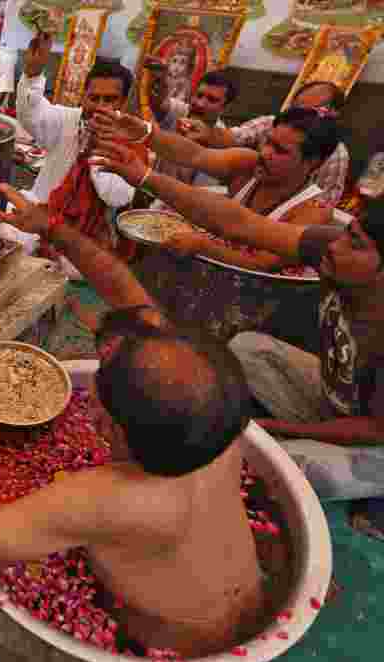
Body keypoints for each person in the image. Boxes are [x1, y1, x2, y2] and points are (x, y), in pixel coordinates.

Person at [0, 184, 263, 658]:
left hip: (162, 638)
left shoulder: (102, 498)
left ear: (109, 425)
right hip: (245, 601)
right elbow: (130, 297)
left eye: (103, 383)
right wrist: (51, 227)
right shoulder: (209, 416)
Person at [87, 135, 384, 507]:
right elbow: (238, 223)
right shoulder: (332, 250)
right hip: (332, 394)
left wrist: (272, 431)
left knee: (277, 471)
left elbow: (373, 429)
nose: (336, 247)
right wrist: (145, 176)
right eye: (348, 235)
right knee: (244, 348)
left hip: (374, 439)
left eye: (355, 245)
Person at [92, 106, 338, 272]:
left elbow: (261, 265)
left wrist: (203, 246)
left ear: (313, 162)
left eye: (280, 150)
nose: (265, 153)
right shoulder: (249, 163)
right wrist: (145, 133)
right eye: (268, 142)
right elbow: (196, 154)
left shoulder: (313, 212)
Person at [2, 32, 138, 276]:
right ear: (83, 95)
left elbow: (116, 197)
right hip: (42, 210)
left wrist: (99, 147)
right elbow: (32, 116)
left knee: (74, 269)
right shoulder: (68, 119)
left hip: (85, 233)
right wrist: (32, 74)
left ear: (124, 102)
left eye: (110, 99)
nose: (100, 107)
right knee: (8, 233)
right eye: (94, 98)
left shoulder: (132, 140)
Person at [183, 81, 350, 209]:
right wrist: (206, 132)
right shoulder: (273, 124)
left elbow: (324, 204)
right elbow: (234, 137)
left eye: (280, 150)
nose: (264, 153)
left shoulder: (337, 155)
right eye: (296, 107)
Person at [148, 65, 238, 188]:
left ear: (224, 108)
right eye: (199, 95)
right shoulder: (181, 111)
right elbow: (158, 103)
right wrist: (159, 80)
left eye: (212, 100)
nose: (200, 104)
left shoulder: (220, 144)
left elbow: (200, 190)